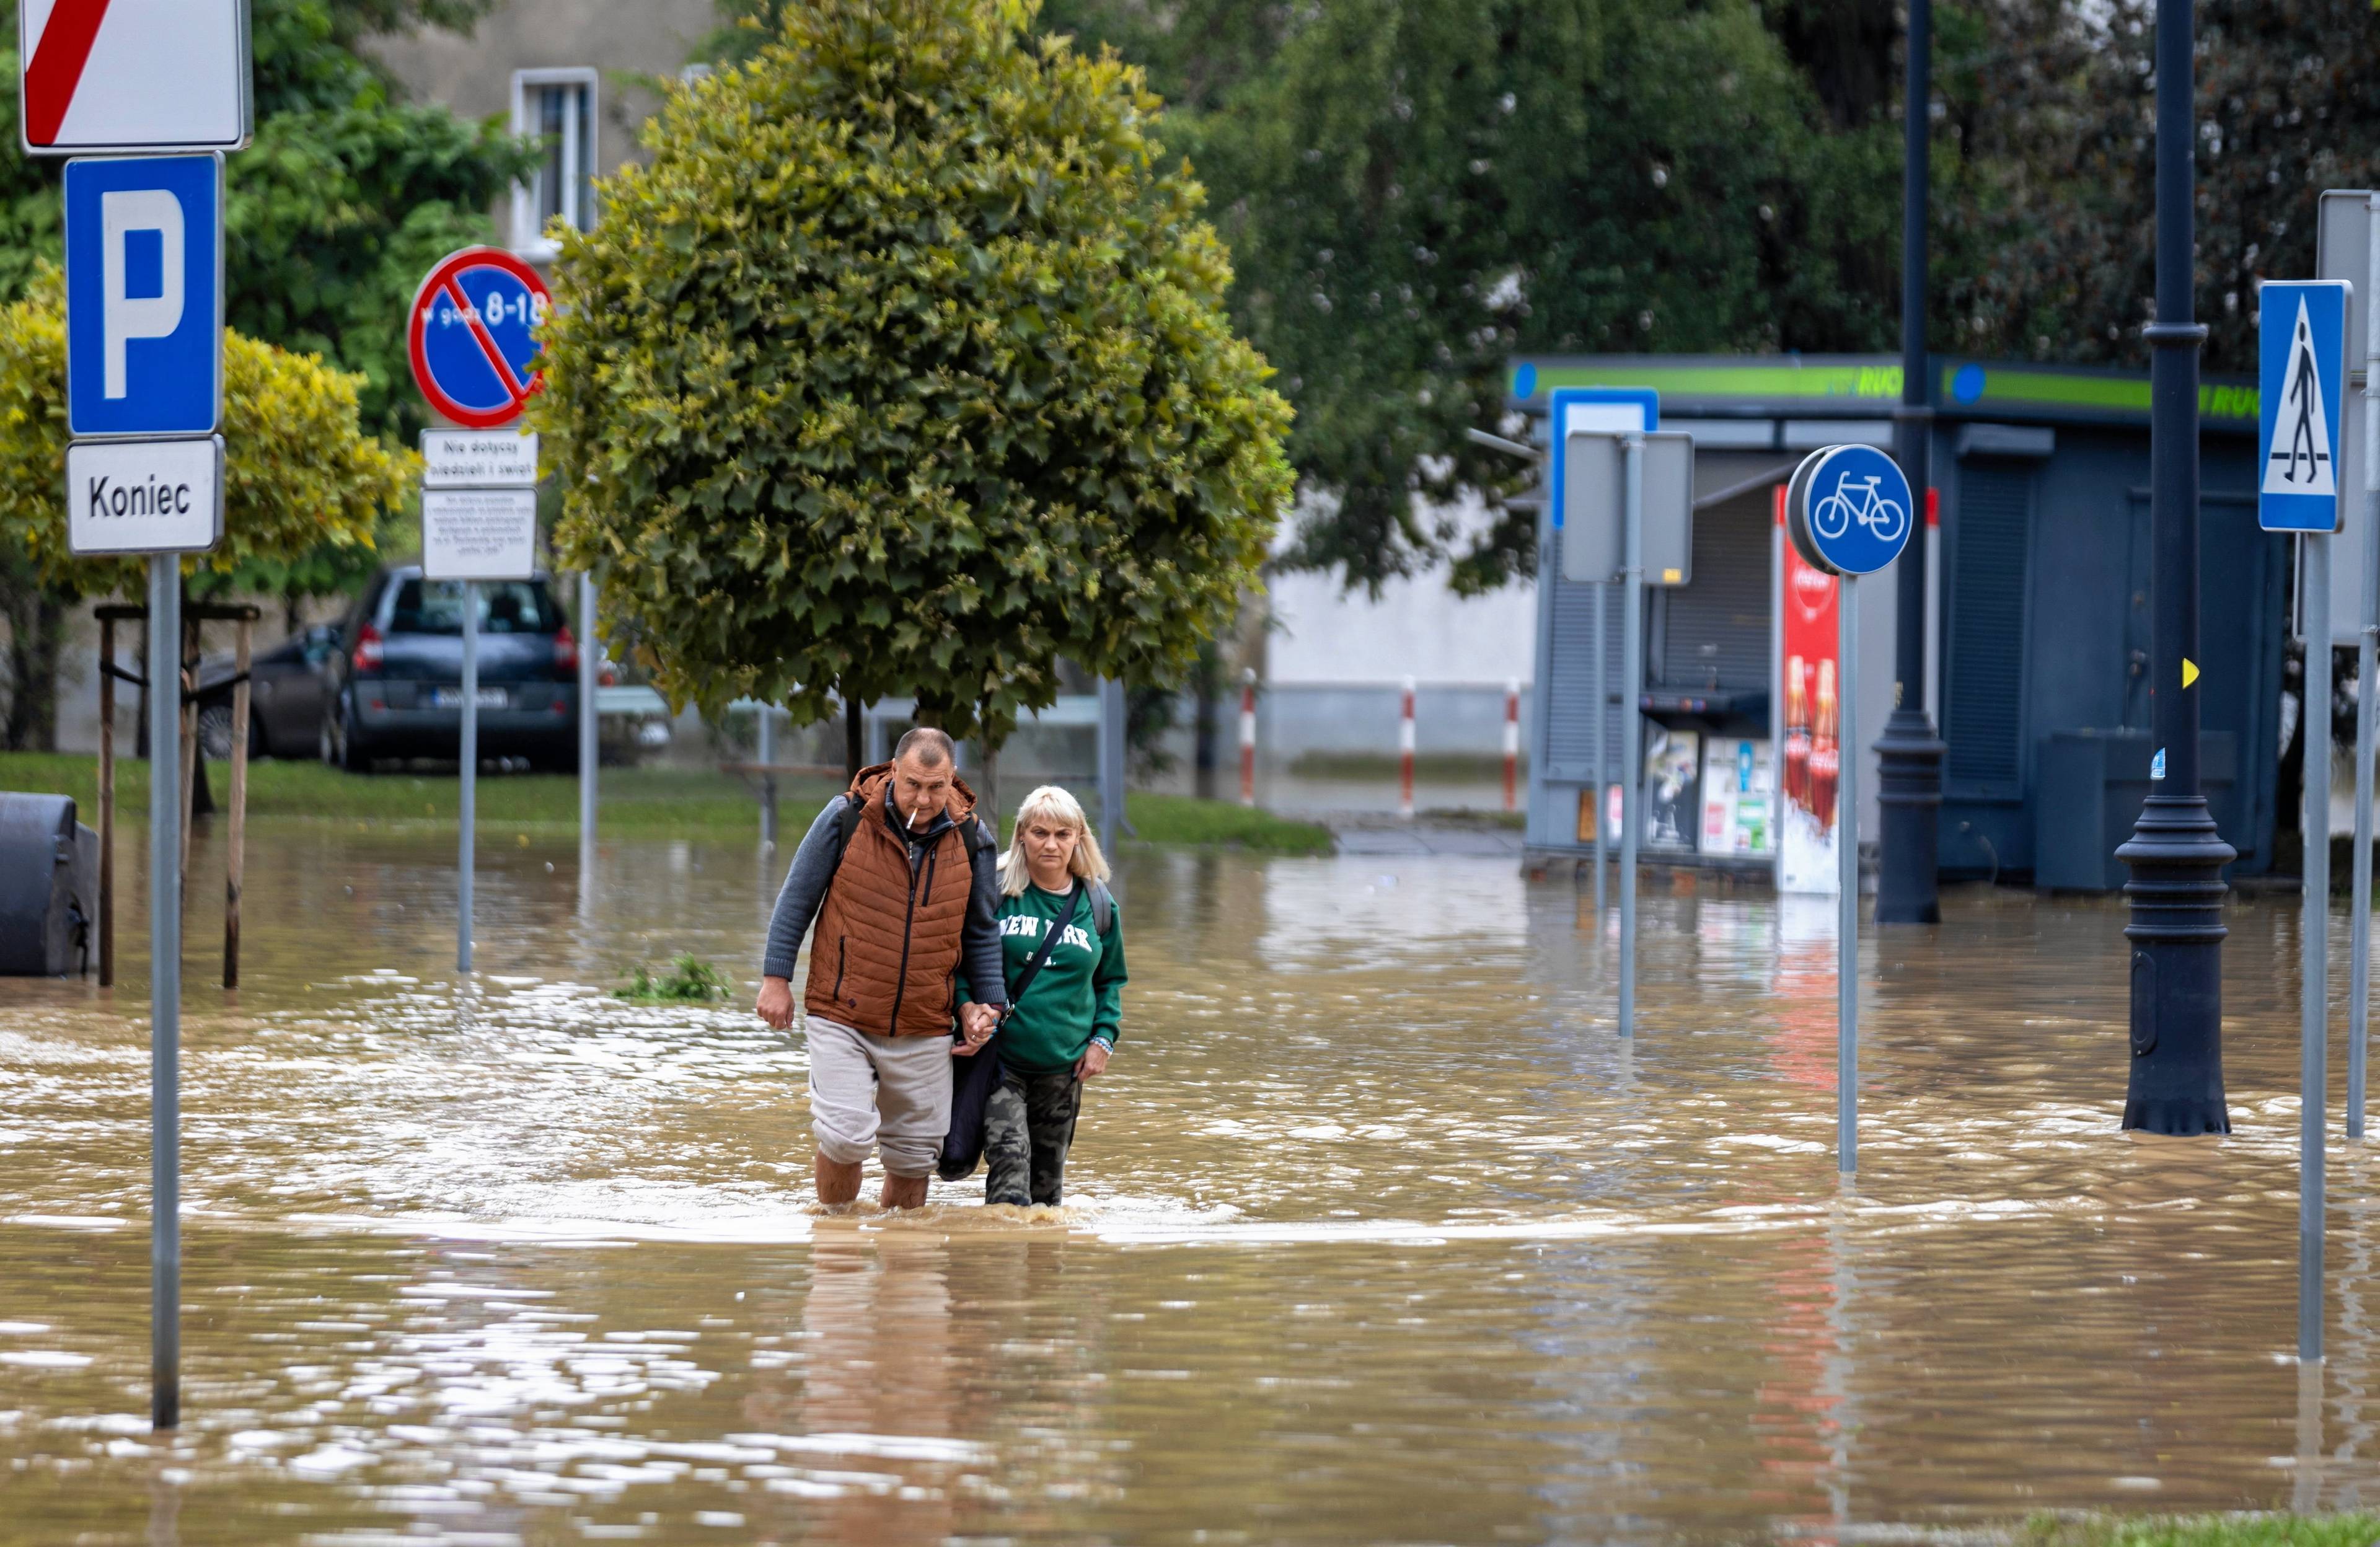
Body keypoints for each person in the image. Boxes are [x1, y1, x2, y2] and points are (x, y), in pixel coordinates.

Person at [755, 728, 1007, 1209]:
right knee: (845, 1137)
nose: (925, 798)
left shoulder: (974, 838)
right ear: (894, 771)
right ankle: (835, 1244)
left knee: (914, 1158)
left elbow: (981, 930)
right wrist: (776, 978)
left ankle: (902, 1267)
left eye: (937, 787)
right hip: (841, 1012)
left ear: (953, 779)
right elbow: (796, 899)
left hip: (924, 1021)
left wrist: (989, 1007)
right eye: (913, 784)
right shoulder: (845, 817)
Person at [956, 784, 1127, 1208]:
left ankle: (1040, 1272)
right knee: (1010, 1168)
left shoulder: (1099, 906)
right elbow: (959, 964)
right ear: (1021, 836)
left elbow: (1110, 981)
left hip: (1064, 1068)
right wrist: (967, 1008)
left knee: (1047, 1194)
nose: (1051, 844)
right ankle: (999, 1261)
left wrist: (1103, 1039)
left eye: (1063, 834)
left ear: (1078, 839)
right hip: (1000, 1062)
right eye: (1039, 833)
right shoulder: (995, 894)